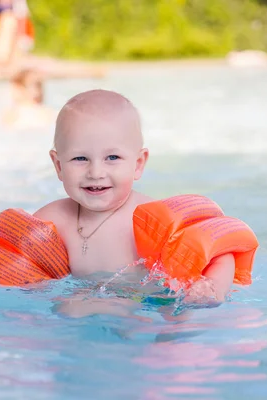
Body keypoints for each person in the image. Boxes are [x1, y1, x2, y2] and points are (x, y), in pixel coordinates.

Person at [33, 89, 236, 316]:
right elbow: (21, 272)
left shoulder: (153, 219)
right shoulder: (50, 220)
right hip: (84, 311)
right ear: (58, 165)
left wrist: (212, 287)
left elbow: (220, 253)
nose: (96, 172)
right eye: (80, 158)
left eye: (113, 158)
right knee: (68, 308)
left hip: (149, 308)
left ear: (138, 163)